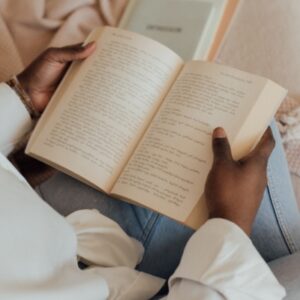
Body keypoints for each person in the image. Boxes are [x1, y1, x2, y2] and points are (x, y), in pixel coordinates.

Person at [0, 42, 299, 300]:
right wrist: (231, 220)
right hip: (110, 276)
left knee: (232, 123)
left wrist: (21, 97)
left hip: (43, 207)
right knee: (250, 137)